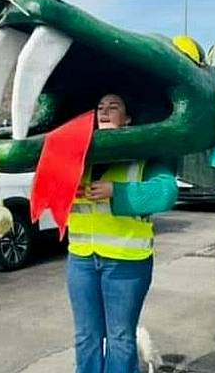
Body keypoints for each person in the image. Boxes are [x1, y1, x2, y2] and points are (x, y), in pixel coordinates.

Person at [66, 93, 178, 373]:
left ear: (128, 118)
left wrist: (118, 192)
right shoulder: (79, 155)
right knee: (85, 337)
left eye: (113, 107)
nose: (104, 111)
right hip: (81, 261)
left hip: (127, 262)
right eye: (100, 107)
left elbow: (166, 192)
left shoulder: (143, 156)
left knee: (120, 338)